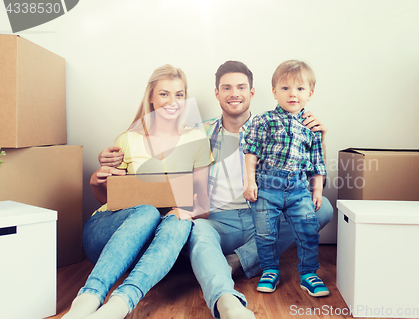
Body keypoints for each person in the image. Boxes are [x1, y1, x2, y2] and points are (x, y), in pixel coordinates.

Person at [98, 60, 333, 319]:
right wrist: (110, 159)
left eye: (241, 87)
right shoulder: (199, 133)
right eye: (226, 87)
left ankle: (236, 261)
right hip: (217, 219)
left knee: (321, 210)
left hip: (266, 215)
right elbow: (158, 155)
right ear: (216, 93)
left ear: (252, 93)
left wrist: (317, 139)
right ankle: (226, 299)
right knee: (197, 231)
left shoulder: (276, 129)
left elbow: (306, 179)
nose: (234, 93)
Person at [62, 64, 212, 319]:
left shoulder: (197, 139)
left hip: (159, 247)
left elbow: (204, 206)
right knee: (145, 211)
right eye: (164, 94)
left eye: (179, 94)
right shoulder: (127, 139)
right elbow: (112, 200)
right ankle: (86, 300)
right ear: (151, 97)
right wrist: (96, 182)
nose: (172, 101)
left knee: (180, 221)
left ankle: (118, 305)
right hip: (108, 235)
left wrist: (187, 210)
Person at [243, 60, 329, 297]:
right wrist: (250, 182)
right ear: (274, 92)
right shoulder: (264, 120)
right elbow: (251, 153)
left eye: (300, 89)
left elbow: (317, 162)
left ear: (310, 93)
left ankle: (309, 273)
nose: (293, 94)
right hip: (267, 186)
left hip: (298, 187)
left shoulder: (311, 126)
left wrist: (318, 190)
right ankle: (269, 270)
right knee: (265, 232)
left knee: (307, 230)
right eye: (285, 88)